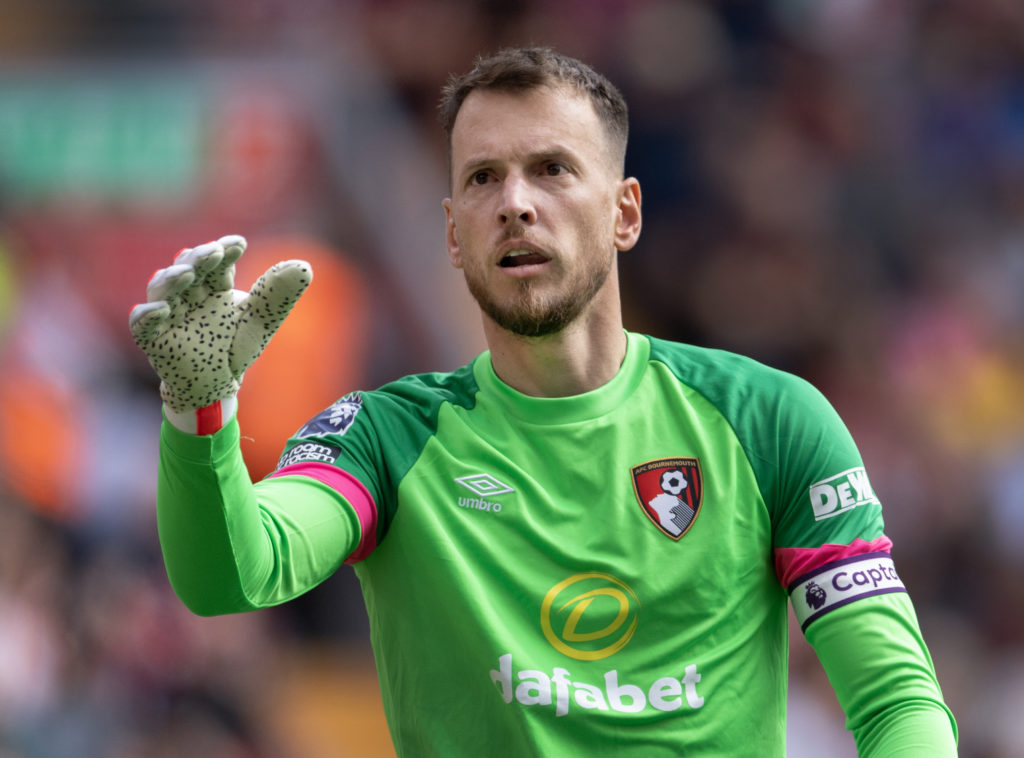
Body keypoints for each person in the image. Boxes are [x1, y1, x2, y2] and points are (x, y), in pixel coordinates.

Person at [130, 47, 958, 756]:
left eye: (552, 169)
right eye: (483, 178)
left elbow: (896, 703)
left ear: (624, 212)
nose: (515, 202)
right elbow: (228, 575)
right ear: (454, 234)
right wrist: (199, 410)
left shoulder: (769, 419)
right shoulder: (386, 438)